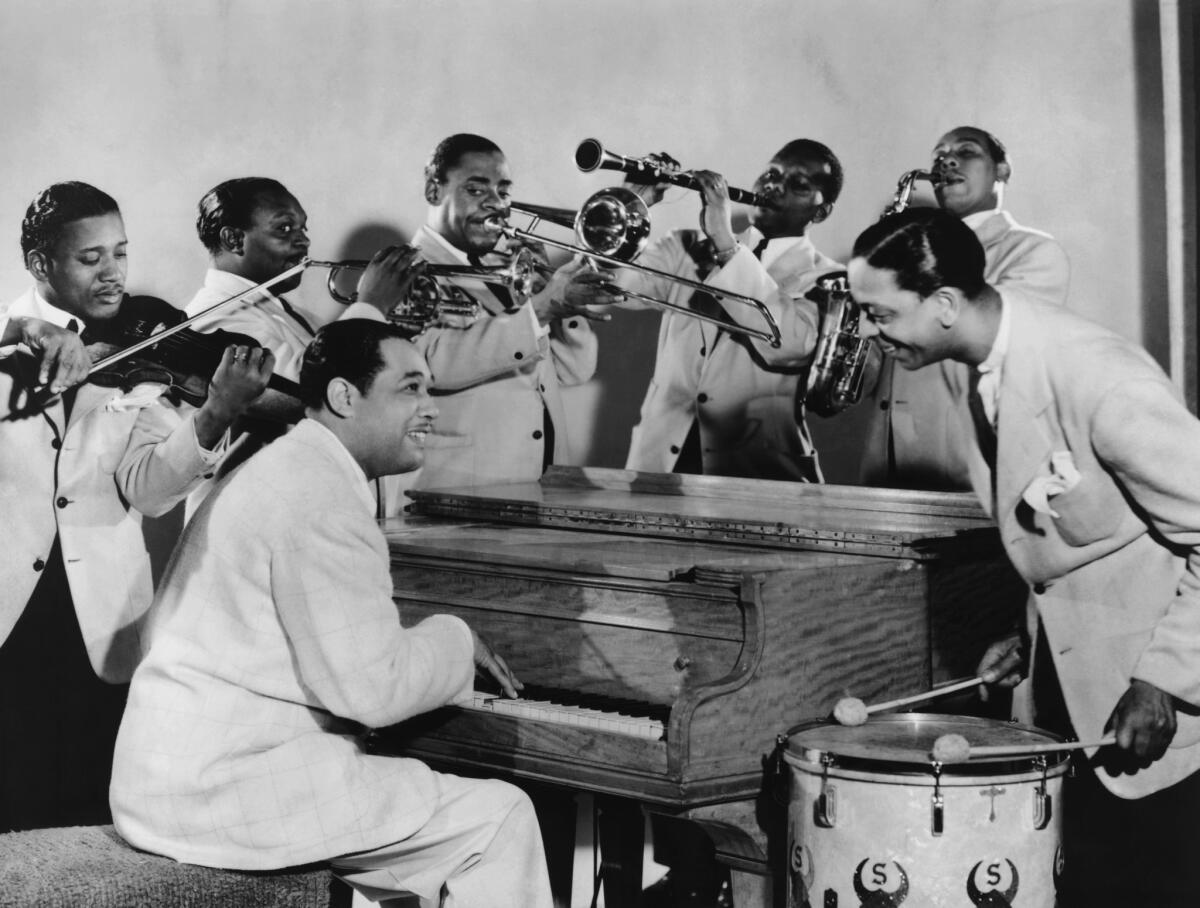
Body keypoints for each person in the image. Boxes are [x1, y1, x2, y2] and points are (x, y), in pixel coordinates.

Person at [110, 319, 553, 908]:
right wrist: (456, 637)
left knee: (404, 797)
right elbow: (373, 692)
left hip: (174, 777)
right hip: (224, 790)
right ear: (345, 396)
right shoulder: (320, 495)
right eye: (410, 389)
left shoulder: (290, 465)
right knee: (498, 817)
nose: (431, 410)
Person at [850, 207, 1200, 907]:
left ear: (945, 304)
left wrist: (1161, 681)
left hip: (1159, 719)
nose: (868, 332)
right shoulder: (968, 369)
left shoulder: (1099, 379)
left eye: (879, 313)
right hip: (1071, 698)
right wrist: (1024, 638)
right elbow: (1068, 538)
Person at [0, 181, 270, 831]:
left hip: (101, 609)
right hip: (10, 607)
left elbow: (147, 491)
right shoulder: (7, 346)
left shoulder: (145, 347)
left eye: (120, 253)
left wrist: (212, 416)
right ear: (41, 265)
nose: (113, 272)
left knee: (89, 812)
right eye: (90, 259)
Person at [617, 139, 844, 482]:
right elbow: (609, 287)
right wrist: (631, 206)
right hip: (657, 465)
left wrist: (726, 243)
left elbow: (788, 346)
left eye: (798, 184)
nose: (774, 185)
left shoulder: (829, 279)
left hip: (760, 475)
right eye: (771, 173)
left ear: (821, 211)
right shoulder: (688, 247)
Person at [859, 126, 1070, 489]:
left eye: (967, 152)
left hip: (970, 471)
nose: (947, 160)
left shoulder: (1033, 252)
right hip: (885, 463)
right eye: (939, 156)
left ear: (1003, 171)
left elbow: (990, 340)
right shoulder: (910, 251)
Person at [410, 133, 621, 490]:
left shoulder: (505, 270)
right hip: (463, 482)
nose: (495, 204)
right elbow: (427, 365)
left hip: (541, 476)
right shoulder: (405, 269)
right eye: (476, 190)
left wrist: (558, 302)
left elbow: (575, 371)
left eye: (503, 191)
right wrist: (541, 308)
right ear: (434, 191)